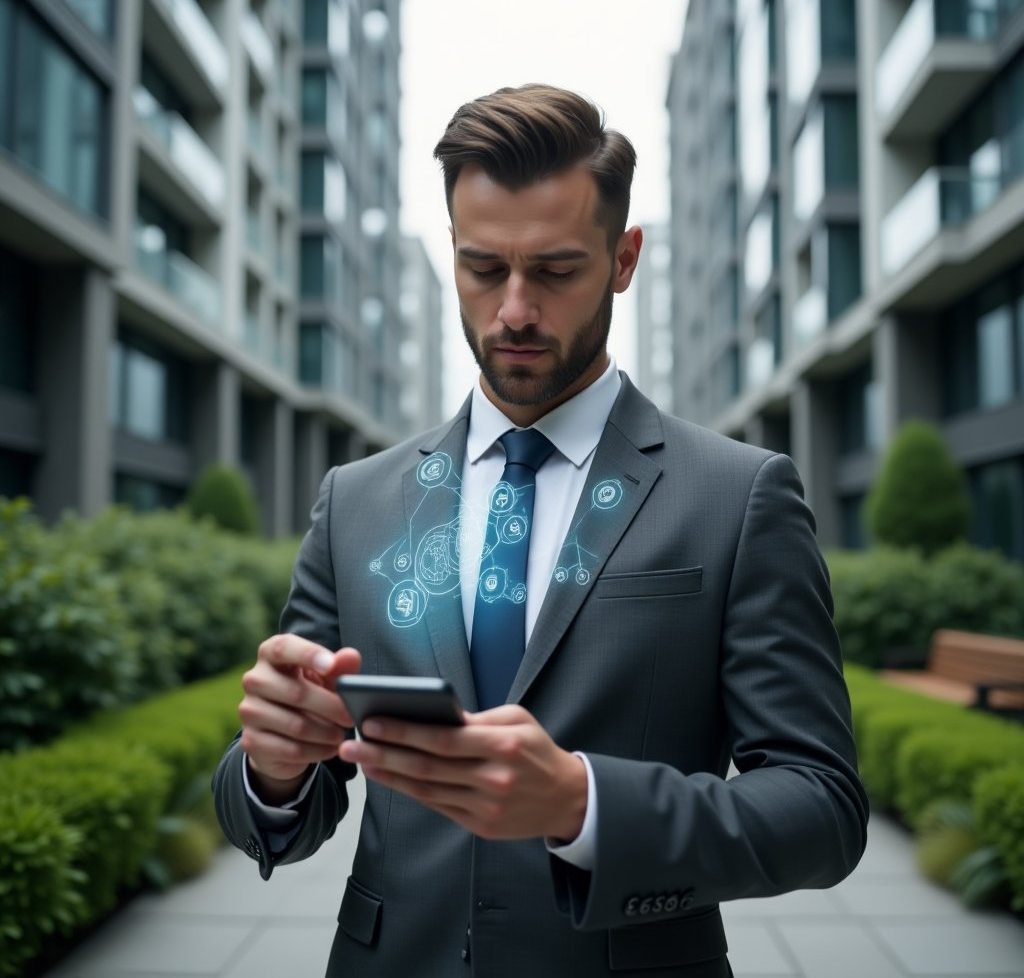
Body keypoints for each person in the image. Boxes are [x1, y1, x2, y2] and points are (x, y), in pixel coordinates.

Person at [213, 83, 868, 978]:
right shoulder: (355, 498)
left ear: (624, 258)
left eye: (555, 271)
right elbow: (279, 813)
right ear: (452, 253)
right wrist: (274, 770)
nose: (514, 310)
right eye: (484, 269)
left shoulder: (739, 496)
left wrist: (583, 804)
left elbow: (824, 810)